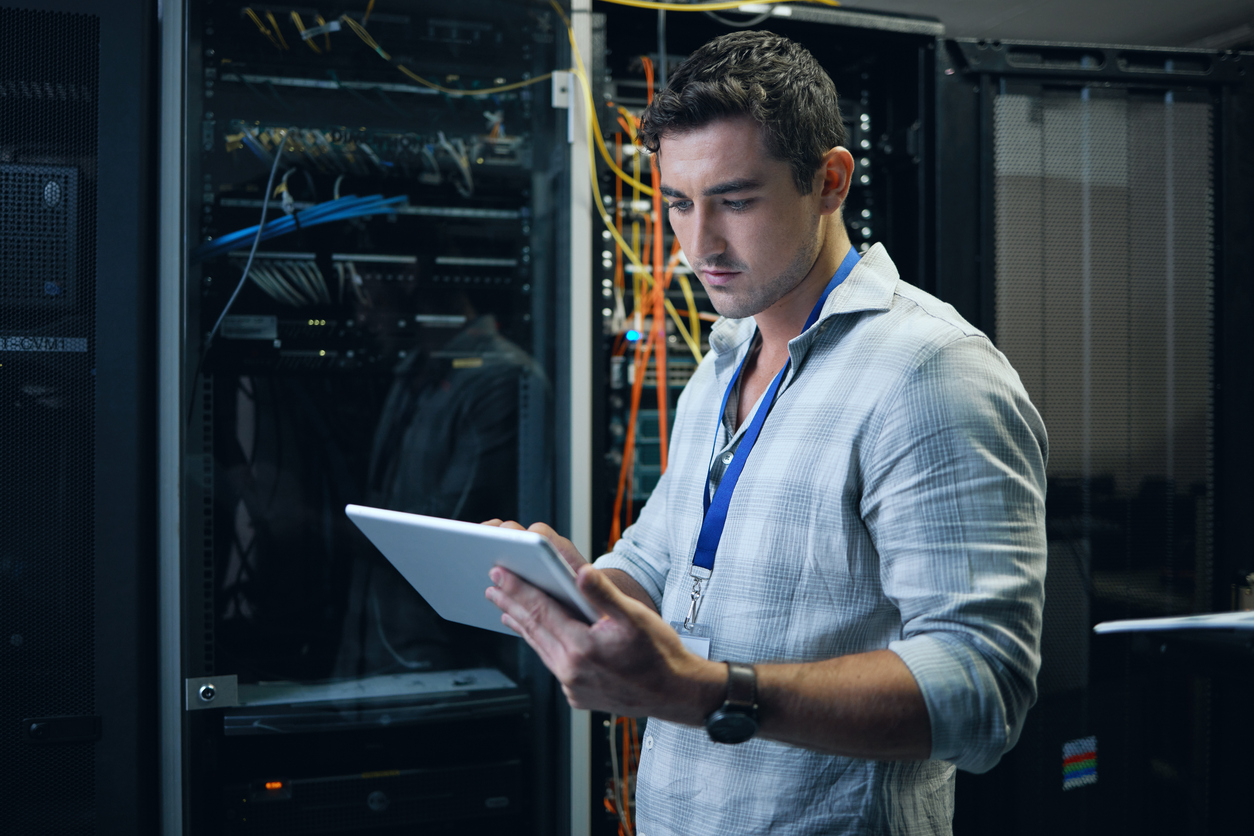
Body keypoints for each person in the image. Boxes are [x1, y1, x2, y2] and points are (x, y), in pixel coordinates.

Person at [485, 30, 1047, 836]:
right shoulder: (721, 360)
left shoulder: (931, 374)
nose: (698, 245)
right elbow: (662, 552)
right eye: (679, 203)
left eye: (735, 201)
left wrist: (706, 690)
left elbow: (982, 689)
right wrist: (570, 592)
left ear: (830, 181)